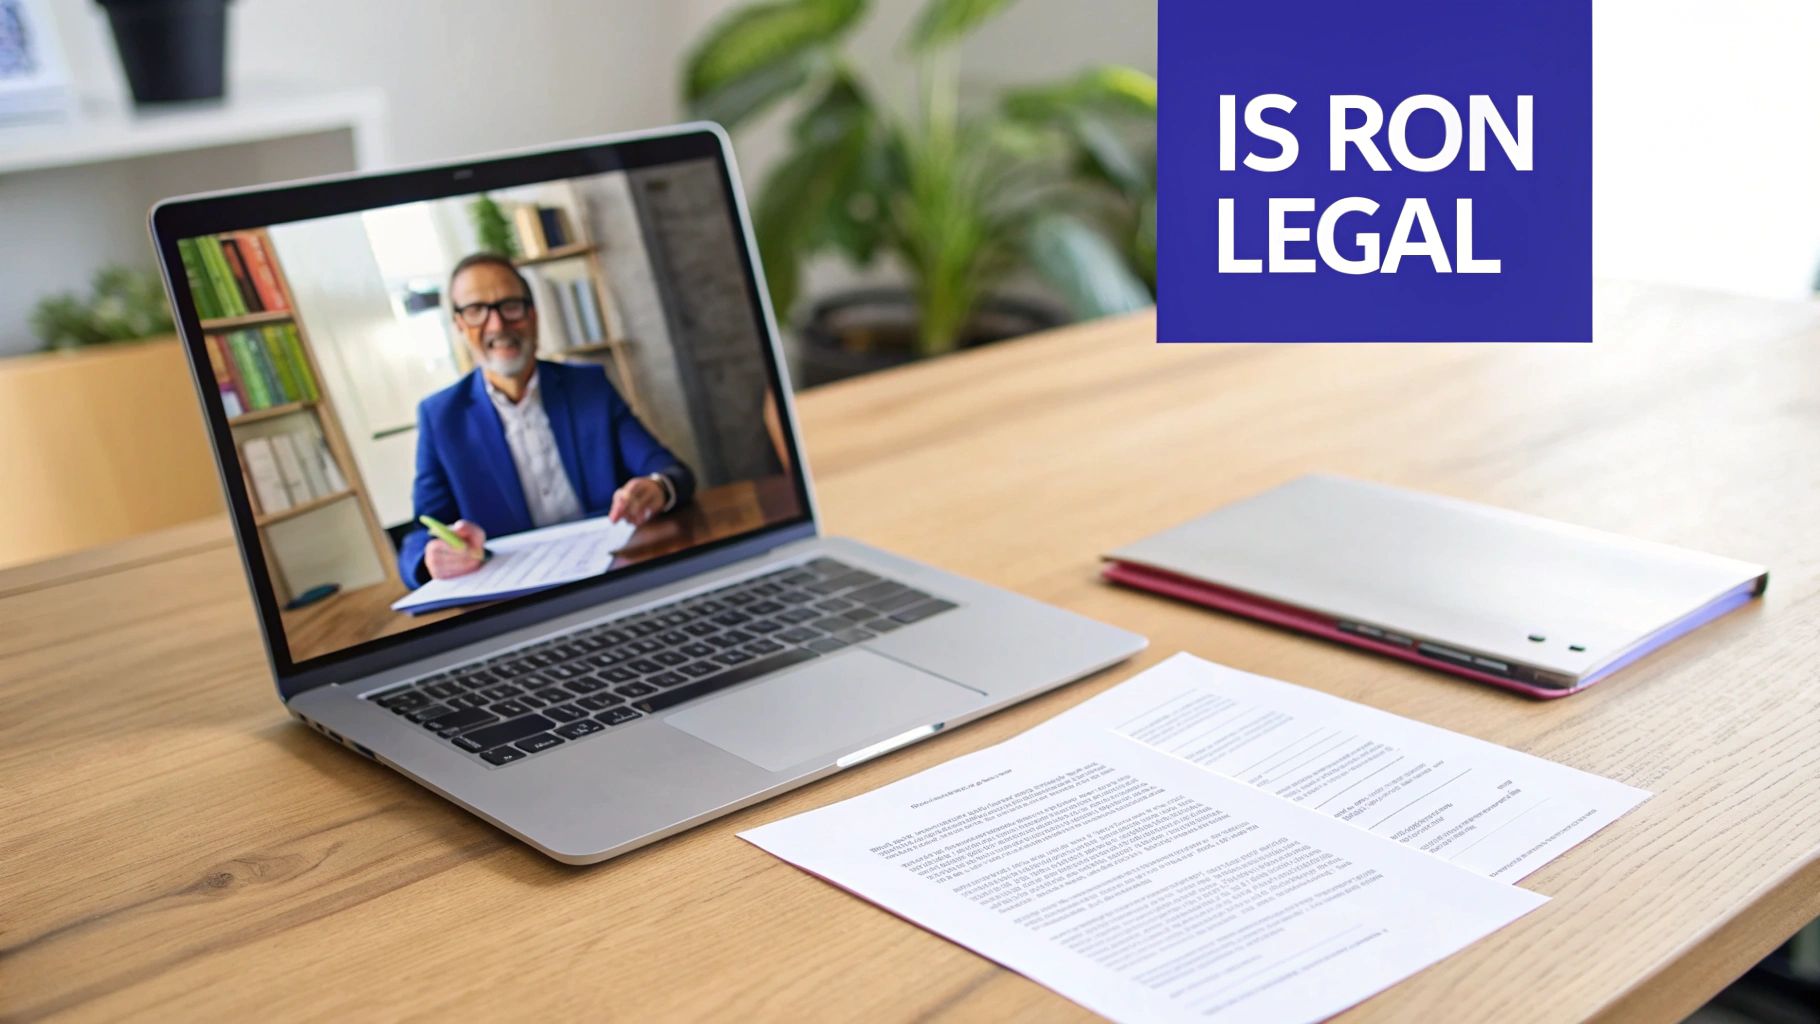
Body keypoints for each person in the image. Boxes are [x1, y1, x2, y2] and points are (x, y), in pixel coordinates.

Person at [397, 252, 694, 586]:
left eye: (510, 306)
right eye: (477, 310)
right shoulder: (440, 418)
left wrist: (656, 487)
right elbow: (420, 536)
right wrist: (432, 557)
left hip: (615, 574)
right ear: (460, 325)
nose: (497, 325)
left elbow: (673, 472)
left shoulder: (590, 386)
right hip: (515, 594)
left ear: (533, 315)